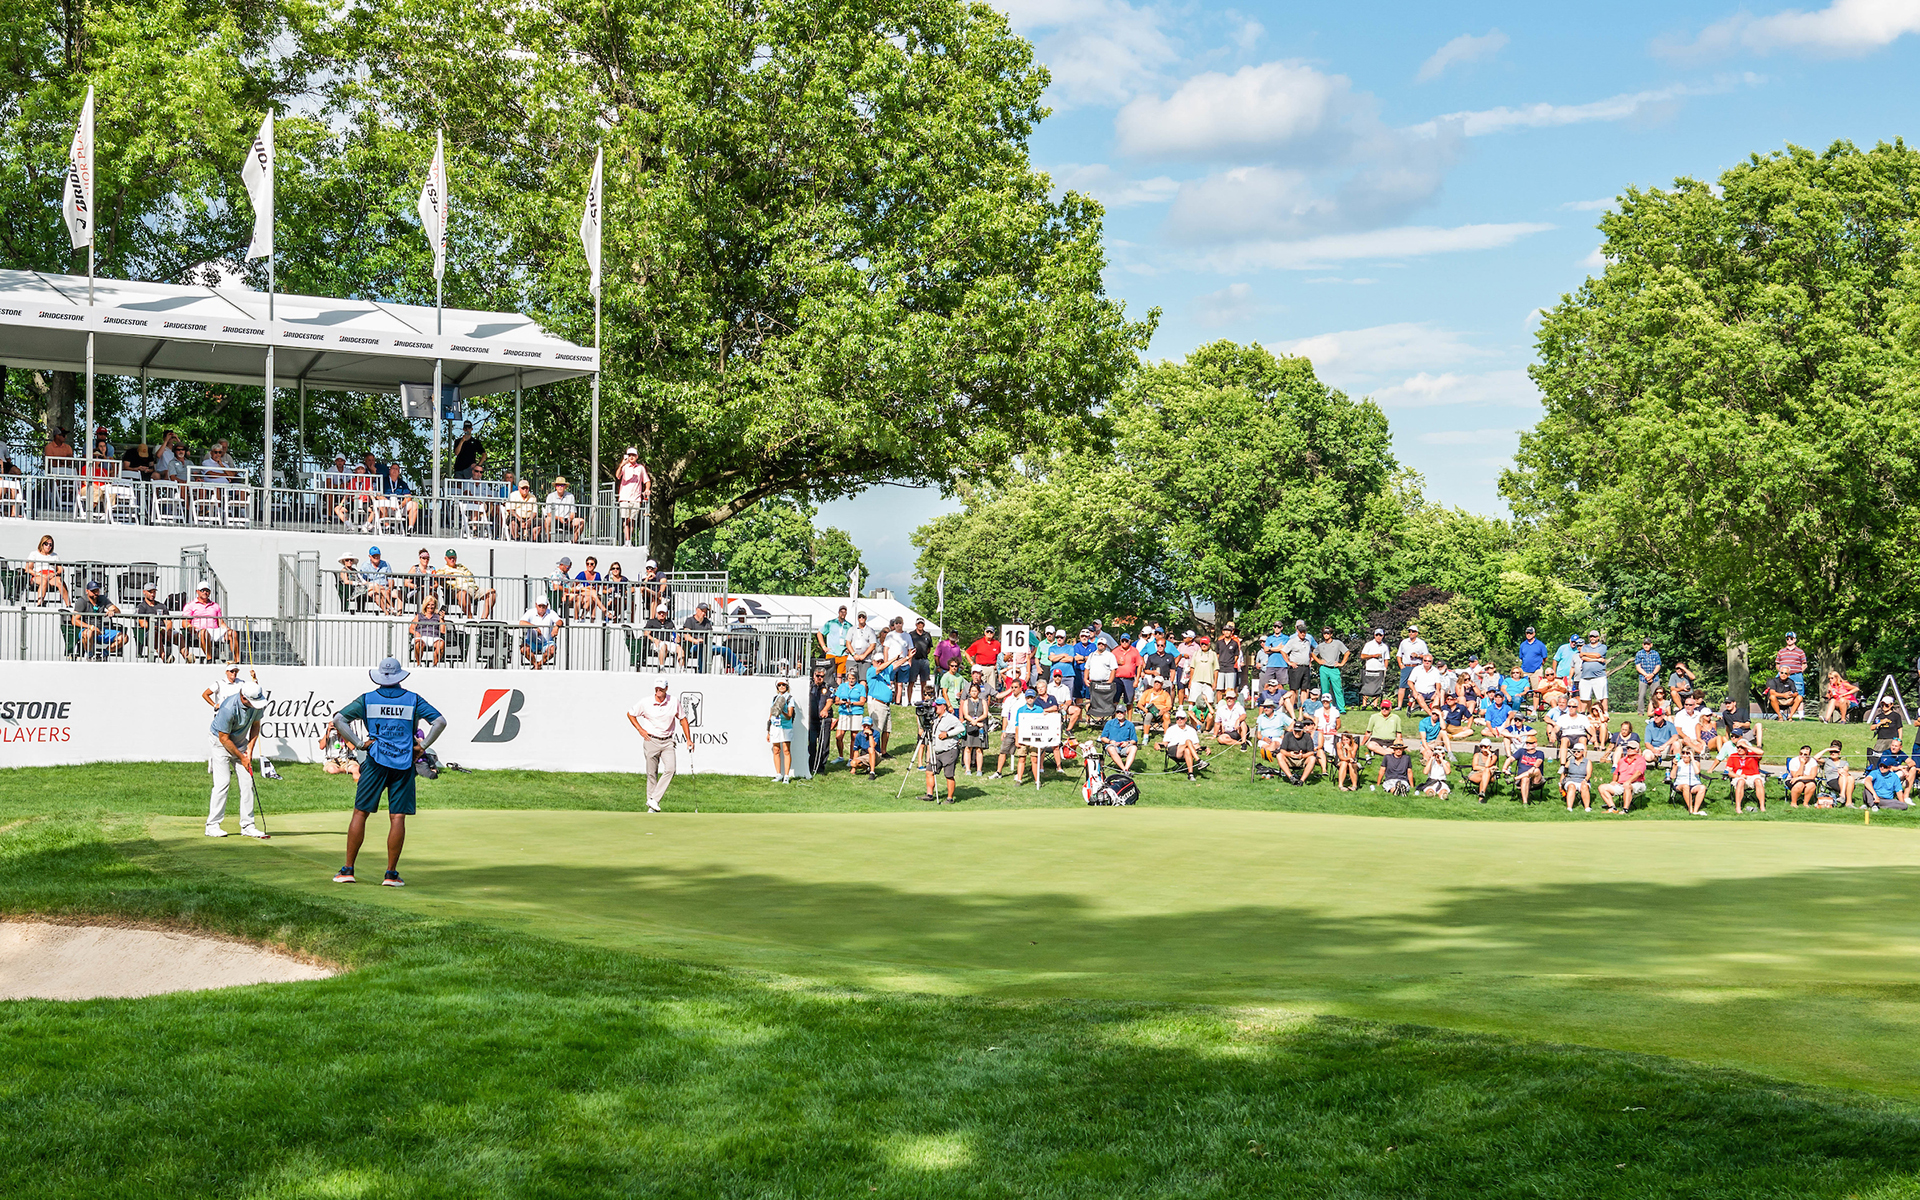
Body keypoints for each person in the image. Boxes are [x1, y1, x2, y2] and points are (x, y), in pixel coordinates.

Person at [330, 657, 445, 884]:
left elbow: (339, 719)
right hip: (404, 763)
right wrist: (422, 746)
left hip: (375, 762)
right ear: (399, 676)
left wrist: (359, 743)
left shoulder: (367, 699)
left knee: (360, 813)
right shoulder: (413, 699)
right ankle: (391, 874)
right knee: (397, 817)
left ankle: (348, 870)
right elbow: (440, 722)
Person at [206, 685, 272, 840]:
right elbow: (224, 738)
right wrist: (242, 757)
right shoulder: (228, 708)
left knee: (248, 783)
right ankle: (212, 825)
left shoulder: (256, 705)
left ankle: (248, 826)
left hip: (241, 743)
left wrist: (249, 750)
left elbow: (256, 725)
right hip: (219, 743)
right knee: (223, 783)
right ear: (244, 698)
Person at [627, 678, 693, 810]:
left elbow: (683, 719)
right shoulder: (646, 702)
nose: (658, 691)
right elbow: (630, 714)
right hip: (651, 740)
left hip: (668, 741)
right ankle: (651, 807)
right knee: (652, 774)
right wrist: (640, 730)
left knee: (670, 769)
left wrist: (688, 739)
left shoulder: (673, 701)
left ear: (666, 688)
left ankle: (654, 800)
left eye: (661, 688)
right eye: (656, 688)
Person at [921, 697, 966, 802]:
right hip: (936, 751)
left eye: (938, 705)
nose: (935, 708)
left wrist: (948, 734)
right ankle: (929, 794)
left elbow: (961, 728)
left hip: (949, 750)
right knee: (929, 771)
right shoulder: (935, 719)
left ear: (944, 707)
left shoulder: (950, 718)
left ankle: (950, 798)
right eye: (935, 706)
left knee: (948, 775)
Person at [182, 581, 238, 662]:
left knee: (233, 633)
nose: (205, 592)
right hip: (199, 630)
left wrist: (228, 629)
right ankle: (210, 659)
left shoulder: (215, 605)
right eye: (202, 590)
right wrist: (190, 627)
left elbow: (220, 622)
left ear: (210, 592)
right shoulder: (190, 605)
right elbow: (185, 622)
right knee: (203, 633)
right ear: (197, 591)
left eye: (207, 590)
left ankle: (237, 661)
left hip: (215, 630)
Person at [439, 548, 496, 619]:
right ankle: (470, 616)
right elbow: (436, 577)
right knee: (462, 594)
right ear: (446, 558)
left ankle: (484, 618)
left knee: (492, 592)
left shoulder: (461, 567)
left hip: (473, 589)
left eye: (454, 558)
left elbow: (470, 575)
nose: (452, 560)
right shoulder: (443, 570)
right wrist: (447, 576)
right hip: (458, 591)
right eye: (450, 558)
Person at [615, 447, 651, 545]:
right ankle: (627, 541)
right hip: (624, 498)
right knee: (626, 520)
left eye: (633, 455)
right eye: (629, 455)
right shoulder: (624, 467)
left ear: (637, 457)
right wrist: (622, 464)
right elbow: (617, 476)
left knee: (632, 520)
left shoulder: (640, 468)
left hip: (636, 498)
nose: (631, 457)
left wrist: (647, 489)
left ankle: (629, 540)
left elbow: (647, 481)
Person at [833, 666, 869, 762]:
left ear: (856, 678)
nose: (851, 680)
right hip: (843, 712)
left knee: (854, 737)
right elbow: (836, 700)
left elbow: (862, 702)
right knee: (838, 736)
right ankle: (840, 756)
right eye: (849, 678)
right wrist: (841, 702)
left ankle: (851, 758)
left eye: (853, 678)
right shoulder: (842, 686)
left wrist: (852, 703)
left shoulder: (860, 687)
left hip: (856, 713)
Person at [1601, 740, 1646, 814]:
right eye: (1628, 748)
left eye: (1632, 748)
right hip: (1621, 784)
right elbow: (1616, 773)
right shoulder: (1622, 760)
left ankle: (1625, 810)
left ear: (1637, 750)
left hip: (1637, 784)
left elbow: (1638, 773)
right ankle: (1612, 808)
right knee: (1602, 787)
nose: (1629, 750)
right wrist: (1614, 781)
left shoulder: (1641, 760)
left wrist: (1628, 781)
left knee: (1627, 786)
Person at [767, 679, 798, 783]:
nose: (781, 686)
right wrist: (768, 730)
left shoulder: (790, 698)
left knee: (786, 750)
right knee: (776, 750)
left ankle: (787, 776)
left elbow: (789, 716)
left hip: (785, 727)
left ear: (787, 686)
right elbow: (771, 714)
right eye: (779, 685)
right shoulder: (775, 698)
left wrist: (782, 711)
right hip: (775, 726)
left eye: (783, 684)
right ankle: (778, 774)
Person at [25, 533, 68, 607]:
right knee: (44, 580)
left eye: (50, 545)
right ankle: (40, 603)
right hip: (38, 575)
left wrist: (54, 574)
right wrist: (39, 574)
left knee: (59, 581)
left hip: (51, 575)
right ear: (42, 544)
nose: (48, 546)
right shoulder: (34, 554)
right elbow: (28, 569)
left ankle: (68, 604)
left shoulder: (54, 556)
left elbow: (61, 569)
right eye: (46, 544)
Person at [1313, 626, 1349, 712]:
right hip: (1324, 669)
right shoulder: (1320, 645)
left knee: (1338, 689)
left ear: (1331, 634)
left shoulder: (1337, 643)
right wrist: (1318, 661)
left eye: (1328, 633)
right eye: (1324, 633)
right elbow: (1313, 654)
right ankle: (1326, 707)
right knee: (1325, 690)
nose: (1326, 635)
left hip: (1334, 669)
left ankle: (1341, 708)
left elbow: (1347, 652)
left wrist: (1342, 663)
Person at [1394, 625, 1430, 707]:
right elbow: (1399, 655)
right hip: (1406, 666)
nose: (1411, 633)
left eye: (1413, 631)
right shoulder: (1404, 642)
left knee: (1417, 687)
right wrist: (1400, 664)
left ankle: (1415, 706)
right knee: (1402, 686)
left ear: (1416, 633)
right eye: (1409, 631)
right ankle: (1399, 706)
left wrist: (1417, 655)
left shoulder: (1421, 643)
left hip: (1417, 666)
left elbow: (1426, 656)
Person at [519, 597, 560, 669]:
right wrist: (534, 627)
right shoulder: (530, 612)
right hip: (531, 641)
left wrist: (556, 627)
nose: (541, 608)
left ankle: (538, 665)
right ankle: (536, 665)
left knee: (552, 650)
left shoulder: (551, 612)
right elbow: (521, 622)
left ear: (547, 606)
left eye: (543, 606)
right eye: (539, 606)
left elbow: (559, 621)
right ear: (536, 605)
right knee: (524, 649)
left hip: (547, 642)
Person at [960, 682, 991, 776]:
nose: (974, 693)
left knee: (979, 749)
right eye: (972, 691)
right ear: (969, 692)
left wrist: (977, 721)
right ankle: (968, 769)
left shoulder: (983, 701)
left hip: (980, 726)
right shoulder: (966, 702)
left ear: (979, 692)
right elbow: (966, 715)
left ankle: (979, 770)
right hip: (970, 726)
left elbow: (985, 714)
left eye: (975, 691)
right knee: (967, 748)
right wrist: (974, 722)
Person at [1163, 710, 1202, 782]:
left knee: (1187, 750)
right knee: (1188, 741)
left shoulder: (1191, 730)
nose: (1179, 720)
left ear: (1186, 719)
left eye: (1182, 718)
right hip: (1174, 749)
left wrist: (1205, 748)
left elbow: (1196, 745)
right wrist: (1159, 745)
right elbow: (1165, 742)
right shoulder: (1171, 729)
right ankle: (1199, 761)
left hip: (1186, 751)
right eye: (1177, 718)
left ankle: (1190, 774)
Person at [1775, 632, 1808, 717]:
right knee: (1780, 693)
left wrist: (1799, 671)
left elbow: (1804, 664)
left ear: (1795, 639)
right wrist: (1782, 673)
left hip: (1796, 676)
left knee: (1799, 694)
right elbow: (1777, 664)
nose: (1789, 640)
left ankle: (1801, 716)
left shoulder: (1800, 652)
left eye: (1791, 638)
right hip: (1783, 677)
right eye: (1787, 638)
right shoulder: (1781, 651)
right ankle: (1780, 714)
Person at [1276, 719, 1318, 785]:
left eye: (1298, 731)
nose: (1297, 733)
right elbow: (1282, 750)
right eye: (1295, 731)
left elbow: (1311, 752)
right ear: (1293, 730)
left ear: (1302, 730)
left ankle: (1301, 780)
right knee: (1279, 755)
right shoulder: (1288, 735)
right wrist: (1289, 754)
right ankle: (1291, 777)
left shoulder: (1307, 736)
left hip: (1302, 759)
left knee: (1312, 758)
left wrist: (1302, 756)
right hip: (1290, 759)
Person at [1729, 740, 1766, 813]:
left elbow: (1761, 752)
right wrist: (1739, 776)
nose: (1739, 749)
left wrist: (1746, 746)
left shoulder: (1752, 755)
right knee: (1741, 781)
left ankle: (1762, 807)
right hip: (1740, 777)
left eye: (1742, 747)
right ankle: (1738, 808)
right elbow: (1729, 772)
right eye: (1738, 747)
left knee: (1758, 781)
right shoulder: (1733, 756)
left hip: (1753, 776)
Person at [544, 476, 586, 541]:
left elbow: (573, 512)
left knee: (581, 521)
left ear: (565, 487)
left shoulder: (570, 496)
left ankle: (574, 542)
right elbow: (549, 513)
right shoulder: (550, 496)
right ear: (555, 487)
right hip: (555, 520)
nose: (560, 487)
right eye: (558, 485)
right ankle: (549, 541)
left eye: (562, 485)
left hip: (567, 521)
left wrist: (569, 519)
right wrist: (559, 518)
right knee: (547, 520)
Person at [382, 462, 421, 530]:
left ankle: (410, 528)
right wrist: (389, 503)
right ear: (389, 470)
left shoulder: (402, 483)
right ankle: (388, 527)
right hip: (387, 506)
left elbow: (408, 496)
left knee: (414, 504)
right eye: (393, 468)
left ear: (399, 472)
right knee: (381, 505)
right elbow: (378, 495)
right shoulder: (383, 481)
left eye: (396, 469)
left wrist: (402, 504)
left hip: (399, 506)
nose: (394, 470)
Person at [410, 596, 447, 666]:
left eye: (432, 605)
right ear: (425, 605)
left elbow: (443, 631)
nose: (430, 606)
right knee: (418, 643)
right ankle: (419, 664)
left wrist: (442, 619)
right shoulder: (419, 616)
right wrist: (416, 633)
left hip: (435, 637)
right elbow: (411, 628)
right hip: (421, 636)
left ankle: (435, 664)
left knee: (441, 644)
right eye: (428, 604)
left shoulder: (438, 616)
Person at [1100, 705, 1139, 771]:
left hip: (1125, 747)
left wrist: (1127, 742)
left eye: (1121, 712)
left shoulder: (1130, 725)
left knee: (1134, 748)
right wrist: (1110, 741)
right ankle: (1124, 769)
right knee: (1111, 748)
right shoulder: (1110, 723)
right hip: (1112, 746)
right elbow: (1103, 738)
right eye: (1117, 712)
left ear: (1125, 713)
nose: (1119, 714)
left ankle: (1126, 768)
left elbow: (1134, 740)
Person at [1513, 734, 1547, 805]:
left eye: (1530, 743)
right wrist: (1504, 768)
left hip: (1536, 781)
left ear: (1535, 744)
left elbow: (1539, 761)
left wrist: (1533, 768)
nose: (1528, 744)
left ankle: (1514, 778)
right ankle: (1525, 803)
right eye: (1527, 743)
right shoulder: (1521, 751)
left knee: (1536, 770)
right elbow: (1510, 759)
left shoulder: (1540, 753)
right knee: (1525, 778)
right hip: (1523, 780)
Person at [966, 625, 1002, 690]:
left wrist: (997, 665)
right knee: (980, 688)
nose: (989, 633)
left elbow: (1001, 656)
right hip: (981, 668)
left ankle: (989, 697)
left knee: (991, 689)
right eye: (988, 632)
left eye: (991, 632)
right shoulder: (978, 643)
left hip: (992, 668)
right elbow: (967, 653)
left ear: (993, 634)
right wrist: (973, 664)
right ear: (985, 632)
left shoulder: (997, 644)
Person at [1819, 740, 1855, 806]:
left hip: (1843, 779)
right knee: (1843, 775)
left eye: (1835, 752)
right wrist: (1827, 749)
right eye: (1831, 752)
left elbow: (1846, 771)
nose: (1833, 753)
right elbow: (1815, 758)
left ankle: (1847, 802)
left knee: (1849, 777)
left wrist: (1841, 771)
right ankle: (1843, 796)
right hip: (1832, 780)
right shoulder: (1827, 760)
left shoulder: (1844, 762)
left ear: (1839, 753)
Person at [908, 618, 935, 704]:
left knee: (924, 682)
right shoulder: (911, 634)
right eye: (919, 624)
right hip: (914, 660)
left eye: (921, 624)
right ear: (916, 624)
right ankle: (909, 701)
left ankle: (924, 701)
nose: (920, 625)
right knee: (911, 681)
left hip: (924, 660)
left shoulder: (927, 635)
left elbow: (929, 648)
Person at [1673, 749, 1708, 814]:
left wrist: (1692, 759)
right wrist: (1675, 765)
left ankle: (1695, 811)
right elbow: (1672, 776)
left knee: (1702, 787)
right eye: (1683, 753)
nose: (1685, 755)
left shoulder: (1696, 763)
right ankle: (1690, 809)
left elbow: (1697, 772)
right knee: (1686, 786)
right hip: (1681, 784)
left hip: (1694, 784)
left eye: (1687, 753)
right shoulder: (1679, 763)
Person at [1561, 742, 1593, 811]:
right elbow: (1564, 773)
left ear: (1582, 752)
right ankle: (1569, 807)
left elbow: (1589, 774)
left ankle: (1587, 807)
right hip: (1571, 780)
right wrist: (1560, 784)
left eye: (1578, 751)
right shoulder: (1569, 761)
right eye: (1574, 751)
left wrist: (1585, 780)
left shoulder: (1588, 762)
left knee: (1584, 786)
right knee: (1571, 786)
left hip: (1583, 780)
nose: (1576, 753)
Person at [1633, 638, 1661, 713]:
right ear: (1642, 645)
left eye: (1648, 644)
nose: (1646, 646)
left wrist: (1652, 674)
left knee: (1656, 695)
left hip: (1654, 678)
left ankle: (1656, 711)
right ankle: (1640, 712)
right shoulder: (1639, 654)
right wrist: (1646, 675)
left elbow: (1658, 665)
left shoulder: (1655, 654)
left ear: (1651, 645)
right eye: (1645, 644)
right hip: (1643, 678)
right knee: (1641, 695)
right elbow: (1638, 666)